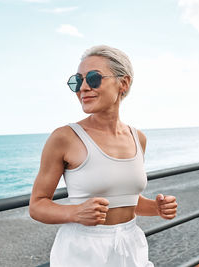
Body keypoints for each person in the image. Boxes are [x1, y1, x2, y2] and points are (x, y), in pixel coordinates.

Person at [29, 45, 178, 267]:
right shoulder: (65, 137)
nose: (84, 88)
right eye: (77, 81)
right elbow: (37, 205)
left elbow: (127, 201)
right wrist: (75, 212)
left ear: (123, 83)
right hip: (82, 250)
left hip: (131, 244)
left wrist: (156, 208)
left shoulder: (138, 138)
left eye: (93, 78)